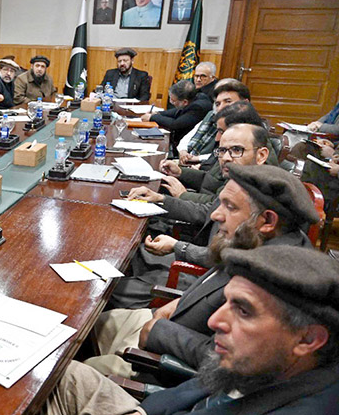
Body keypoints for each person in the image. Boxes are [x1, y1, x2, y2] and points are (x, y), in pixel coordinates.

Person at [0, 244, 339, 415]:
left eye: (244, 311)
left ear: (308, 339)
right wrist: (142, 414)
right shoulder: (281, 365)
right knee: (59, 371)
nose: (216, 321)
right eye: (227, 302)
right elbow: (211, 386)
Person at [86, 163, 317, 378]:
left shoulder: (272, 280)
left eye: (230, 207)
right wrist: (175, 306)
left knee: (80, 371)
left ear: (267, 220)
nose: (216, 215)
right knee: (94, 326)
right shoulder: (255, 241)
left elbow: (237, 361)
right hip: (172, 319)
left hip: (164, 361)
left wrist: (160, 331)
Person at [113, 124, 271, 309]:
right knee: (134, 252)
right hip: (203, 258)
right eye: (222, 150)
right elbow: (206, 212)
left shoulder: (261, 198)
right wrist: (159, 199)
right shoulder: (238, 181)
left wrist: (178, 246)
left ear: (261, 155)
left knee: (112, 289)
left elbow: (228, 257)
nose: (226, 158)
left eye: (237, 150)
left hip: (210, 280)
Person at [158, 102, 269, 204]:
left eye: (222, 131)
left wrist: (183, 195)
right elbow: (212, 180)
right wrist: (181, 172)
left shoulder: (253, 161)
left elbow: (216, 204)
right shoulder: (230, 150)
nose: (217, 138)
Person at [177, 78, 251, 164]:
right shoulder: (212, 115)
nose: (220, 108)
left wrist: (197, 158)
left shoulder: (247, 128)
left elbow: (224, 155)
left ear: (245, 103)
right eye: (218, 103)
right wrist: (183, 152)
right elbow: (187, 138)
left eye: (228, 101)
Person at [140, 80, 211, 153]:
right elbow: (177, 111)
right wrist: (158, 113)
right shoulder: (196, 97)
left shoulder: (198, 108)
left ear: (185, 102)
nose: (171, 102)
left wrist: (152, 117)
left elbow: (175, 124)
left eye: (173, 100)